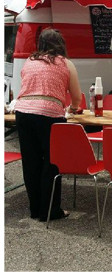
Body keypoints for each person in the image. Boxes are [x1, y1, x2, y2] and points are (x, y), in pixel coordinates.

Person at [14, 29, 84, 222]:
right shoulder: (65, 63)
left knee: (31, 162)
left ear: (40, 44)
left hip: (23, 112)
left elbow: (26, 87)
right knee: (52, 163)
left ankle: (34, 209)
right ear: (61, 43)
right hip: (50, 114)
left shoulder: (29, 61)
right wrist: (73, 108)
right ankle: (50, 211)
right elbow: (77, 97)